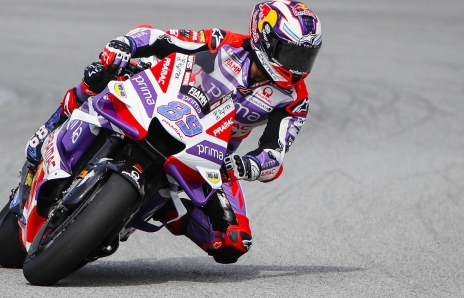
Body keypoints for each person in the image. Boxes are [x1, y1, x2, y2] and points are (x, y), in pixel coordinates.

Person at [24, 1, 322, 264]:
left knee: (232, 241)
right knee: (103, 72)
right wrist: (126, 45)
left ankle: (163, 207)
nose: (298, 67)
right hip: (162, 103)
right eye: (292, 53)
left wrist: (249, 165)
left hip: (208, 152)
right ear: (265, 40)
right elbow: (162, 38)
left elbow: (275, 153)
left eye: (305, 57)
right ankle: (52, 126)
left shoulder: (295, 98)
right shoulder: (224, 43)